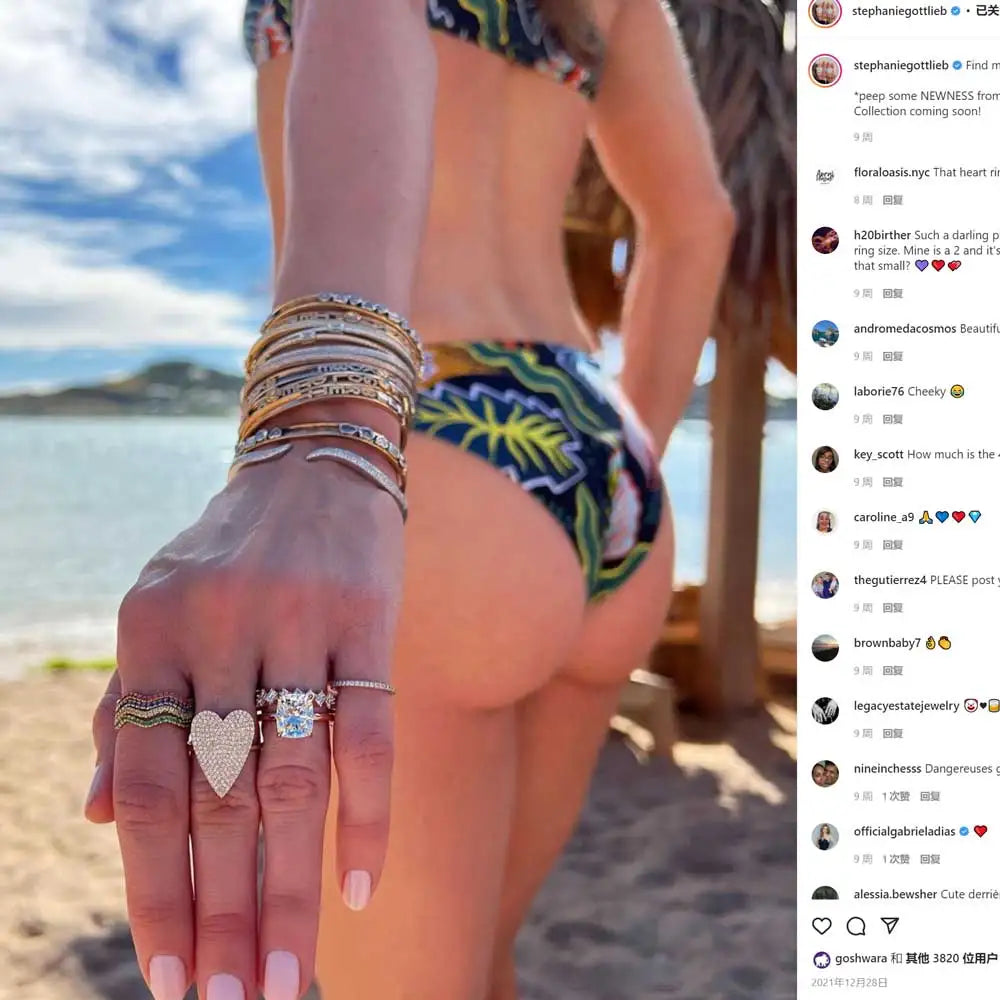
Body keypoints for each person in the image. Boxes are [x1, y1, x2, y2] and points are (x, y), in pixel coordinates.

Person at [84, 2, 734, 999]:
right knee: (483, 963)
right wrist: (620, 467)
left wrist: (319, 426)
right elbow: (697, 223)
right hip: (599, 446)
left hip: (429, 432)